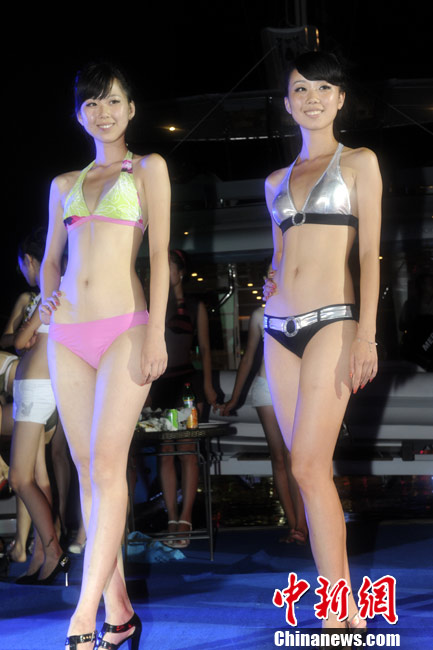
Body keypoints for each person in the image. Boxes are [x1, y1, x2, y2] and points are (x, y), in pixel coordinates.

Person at [39, 61, 170, 649]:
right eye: (91, 103)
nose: (103, 112)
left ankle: (82, 615)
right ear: (78, 115)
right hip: (68, 333)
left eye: (113, 101)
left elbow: (160, 255)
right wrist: (46, 297)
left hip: (126, 327)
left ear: (131, 109)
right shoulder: (63, 183)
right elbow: (50, 258)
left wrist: (158, 333)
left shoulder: (148, 169)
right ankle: (120, 614)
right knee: (87, 470)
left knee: (107, 466)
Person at [262, 51, 381, 631]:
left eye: (323, 88)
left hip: (334, 321)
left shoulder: (359, 162)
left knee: (308, 466)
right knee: (307, 470)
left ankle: (340, 611)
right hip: (276, 331)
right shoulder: (273, 181)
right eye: (301, 89)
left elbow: (369, 254)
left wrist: (367, 335)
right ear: (287, 104)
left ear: (341, 99)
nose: (312, 97)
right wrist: (270, 278)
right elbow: (280, 253)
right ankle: (341, 605)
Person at [220, 302, 307, 544]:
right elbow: (248, 357)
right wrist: (234, 398)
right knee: (278, 457)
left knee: (293, 456)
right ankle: (294, 525)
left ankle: (302, 524)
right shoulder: (259, 314)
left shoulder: (304, 306)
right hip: (266, 386)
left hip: (296, 387)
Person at [149, 249, 217, 547]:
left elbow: (205, 349)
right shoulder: (152, 307)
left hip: (187, 384)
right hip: (160, 385)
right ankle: (171, 519)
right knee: (166, 452)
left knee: (187, 450)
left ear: (180, 272)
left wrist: (209, 387)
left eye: (168, 268)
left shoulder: (194, 306)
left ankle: (186, 519)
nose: (163, 274)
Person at [8, 230, 66, 583]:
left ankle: (53, 550)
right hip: (37, 389)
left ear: (31, 261)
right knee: (36, 477)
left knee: (20, 478)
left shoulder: (50, 292)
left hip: (35, 389)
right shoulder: (59, 291)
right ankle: (41, 555)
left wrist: (25, 336)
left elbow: (19, 340)